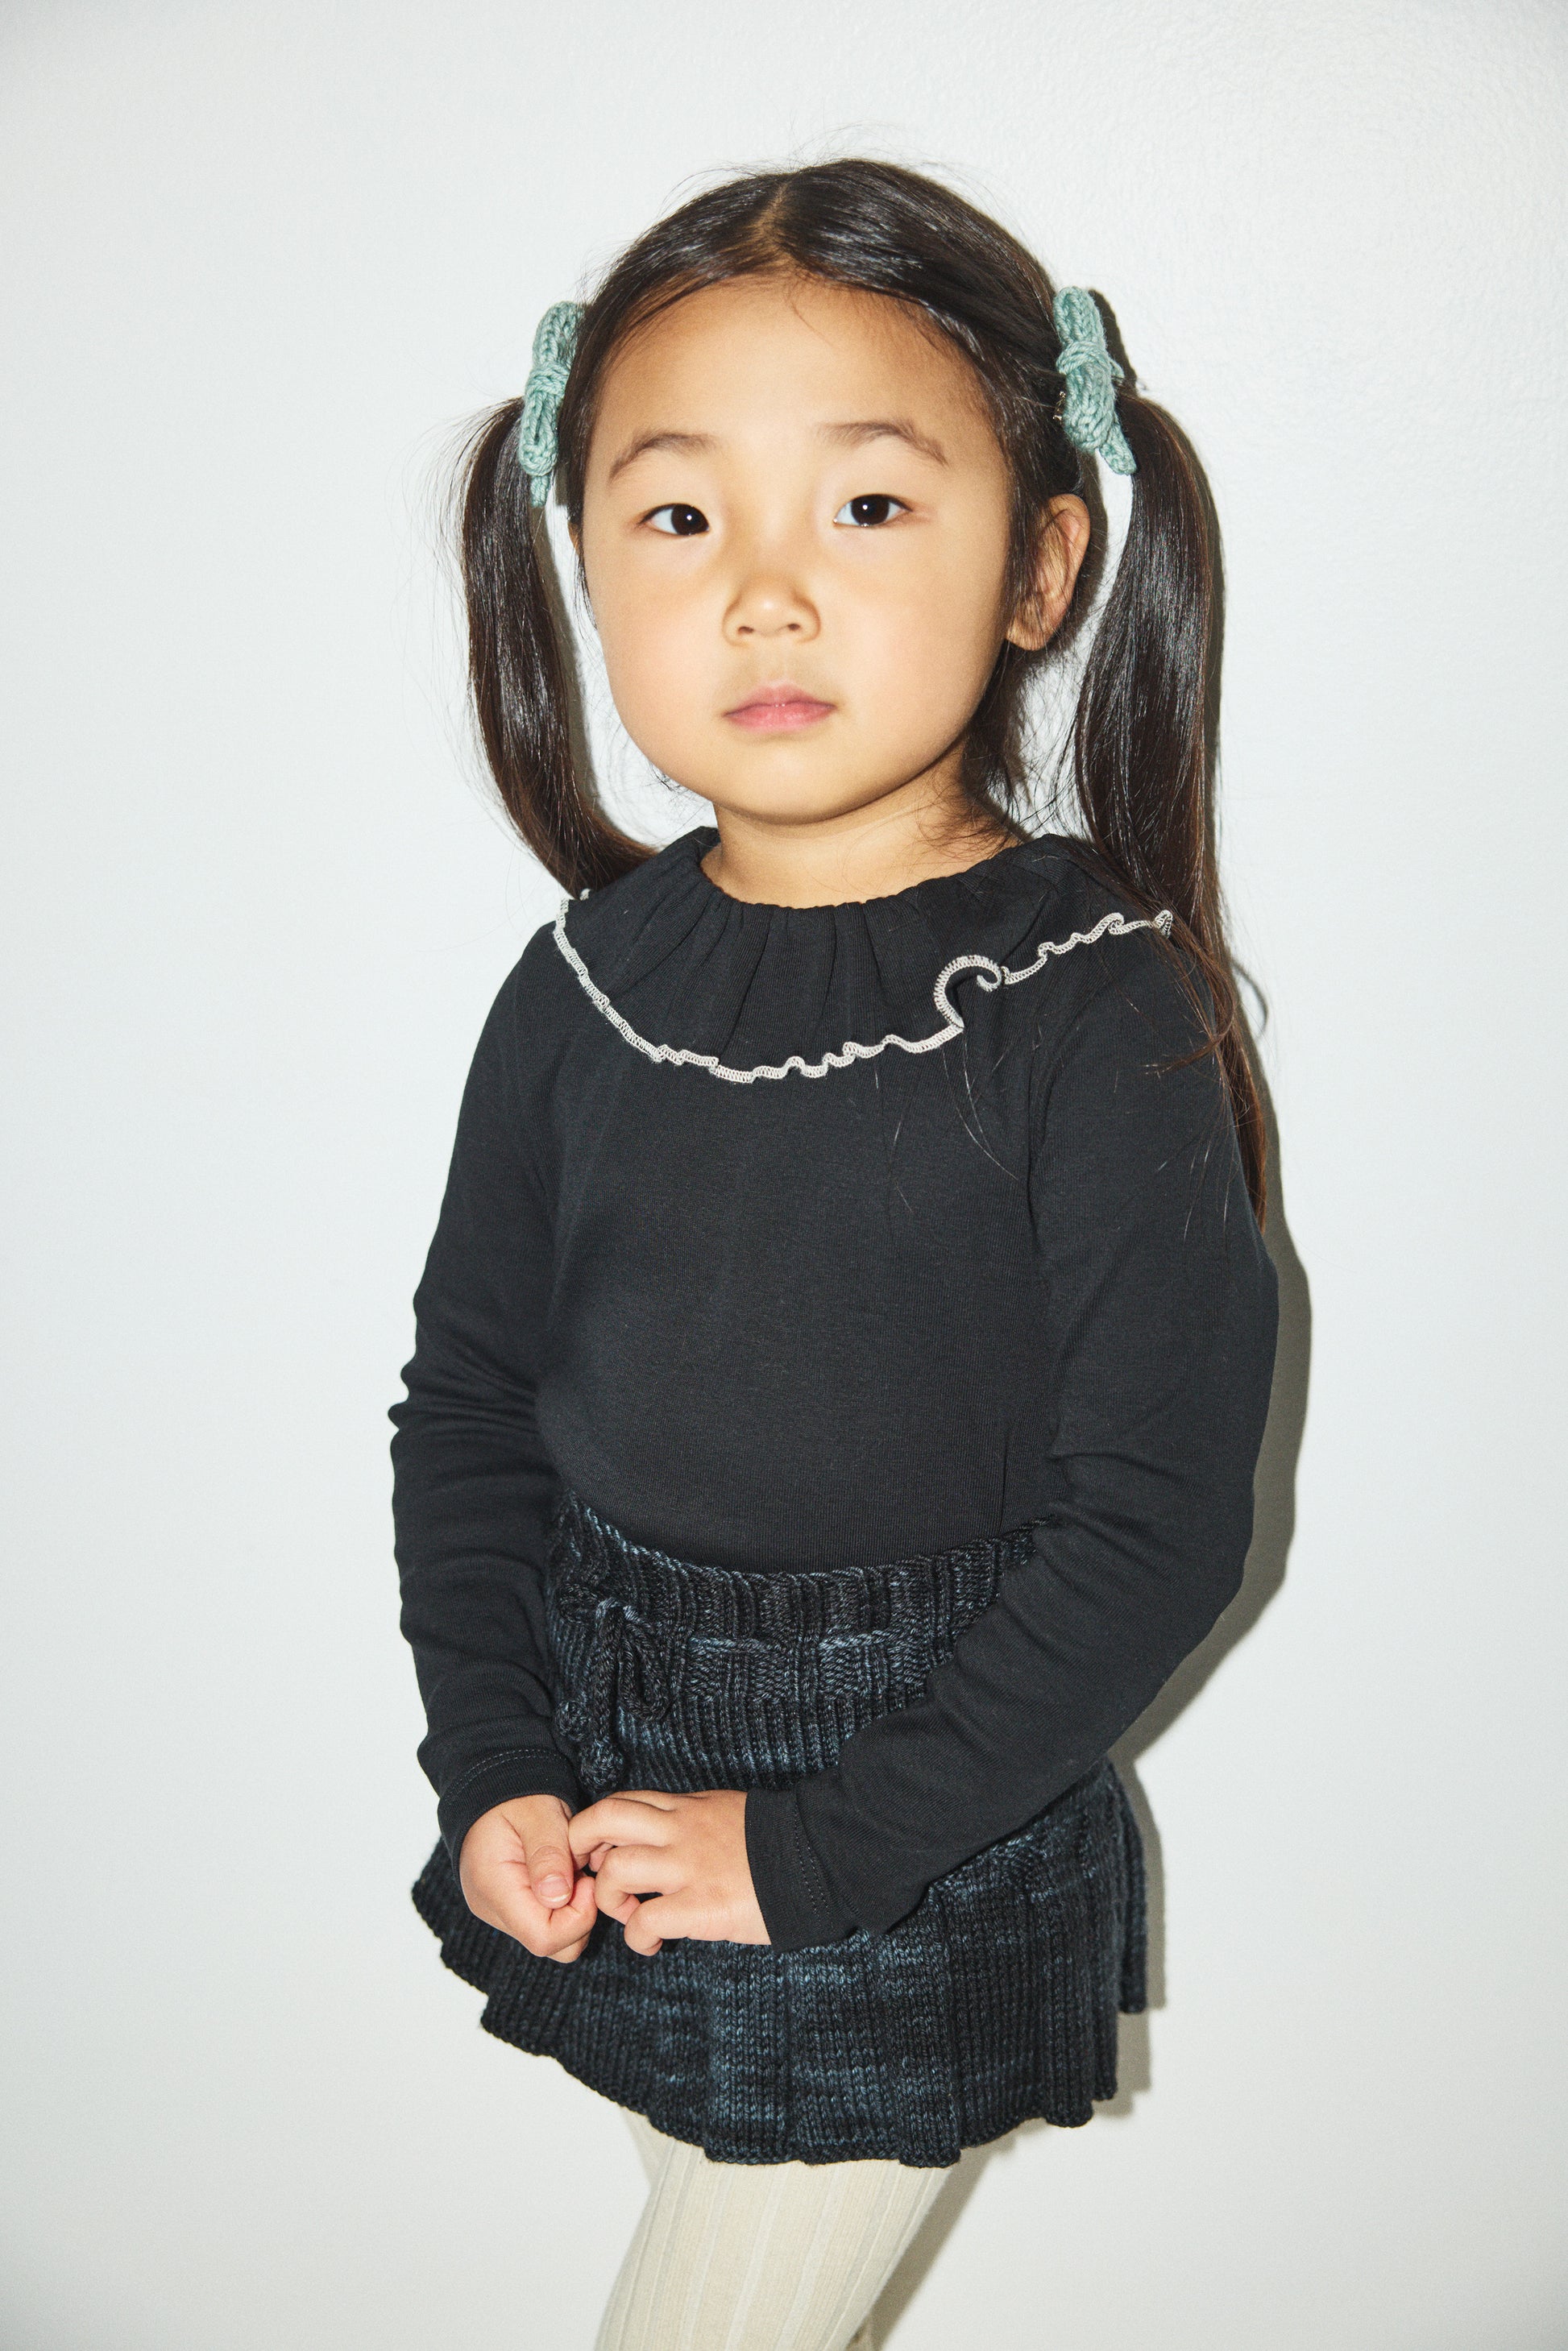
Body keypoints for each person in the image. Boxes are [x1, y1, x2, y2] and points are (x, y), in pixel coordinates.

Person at [390, 158, 1280, 2351]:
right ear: (579, 560)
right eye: (681, 515)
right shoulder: (577, 988)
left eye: (867, 506)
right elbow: (472, 1407)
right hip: (606, 1782)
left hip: (914, 1825)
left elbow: (1154, 1527)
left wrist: (806, 1853)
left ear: (1040, 561)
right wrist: (492, 1760)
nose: (766, 596)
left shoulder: (1089, 1009)